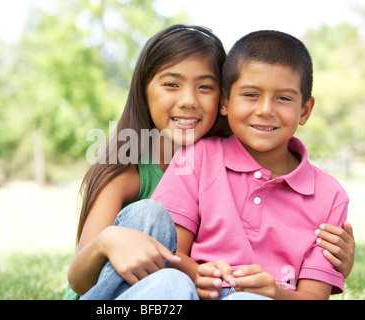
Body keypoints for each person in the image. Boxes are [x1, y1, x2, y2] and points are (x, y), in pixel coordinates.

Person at [65, 25, 355, 300]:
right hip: (114, 288)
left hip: (184, 290)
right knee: (150, 218)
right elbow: (81, 277)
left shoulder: (325, 193)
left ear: (221, 99)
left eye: (205, 87)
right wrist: (109, 240)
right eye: (171, 84)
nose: (189, 100)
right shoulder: (129, 171)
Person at [150, 30, 351, 300]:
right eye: (251, 94)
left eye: (284, 98)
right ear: (225, 101)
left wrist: (276, 293)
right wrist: (202, 275)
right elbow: (168, 252)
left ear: (304, 110)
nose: (266, 109)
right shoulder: (196, 158)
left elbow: (315, 296)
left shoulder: (329, 196)